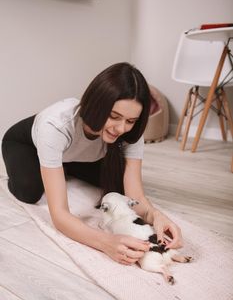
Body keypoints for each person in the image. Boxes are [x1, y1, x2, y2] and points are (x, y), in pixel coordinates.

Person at [2, 62, 183, 265]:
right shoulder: (55, 125)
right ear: (97, 105)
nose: (121, 128)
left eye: (130, 120)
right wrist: (106, 242)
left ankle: (61, 166)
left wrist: (156, 215)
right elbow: (60, 215)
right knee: (28, 191)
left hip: (72, 154)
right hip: (25, 144)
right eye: (114, 116)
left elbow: (136, 196)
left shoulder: (129, 131)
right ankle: (53, 166)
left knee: (118, 189)